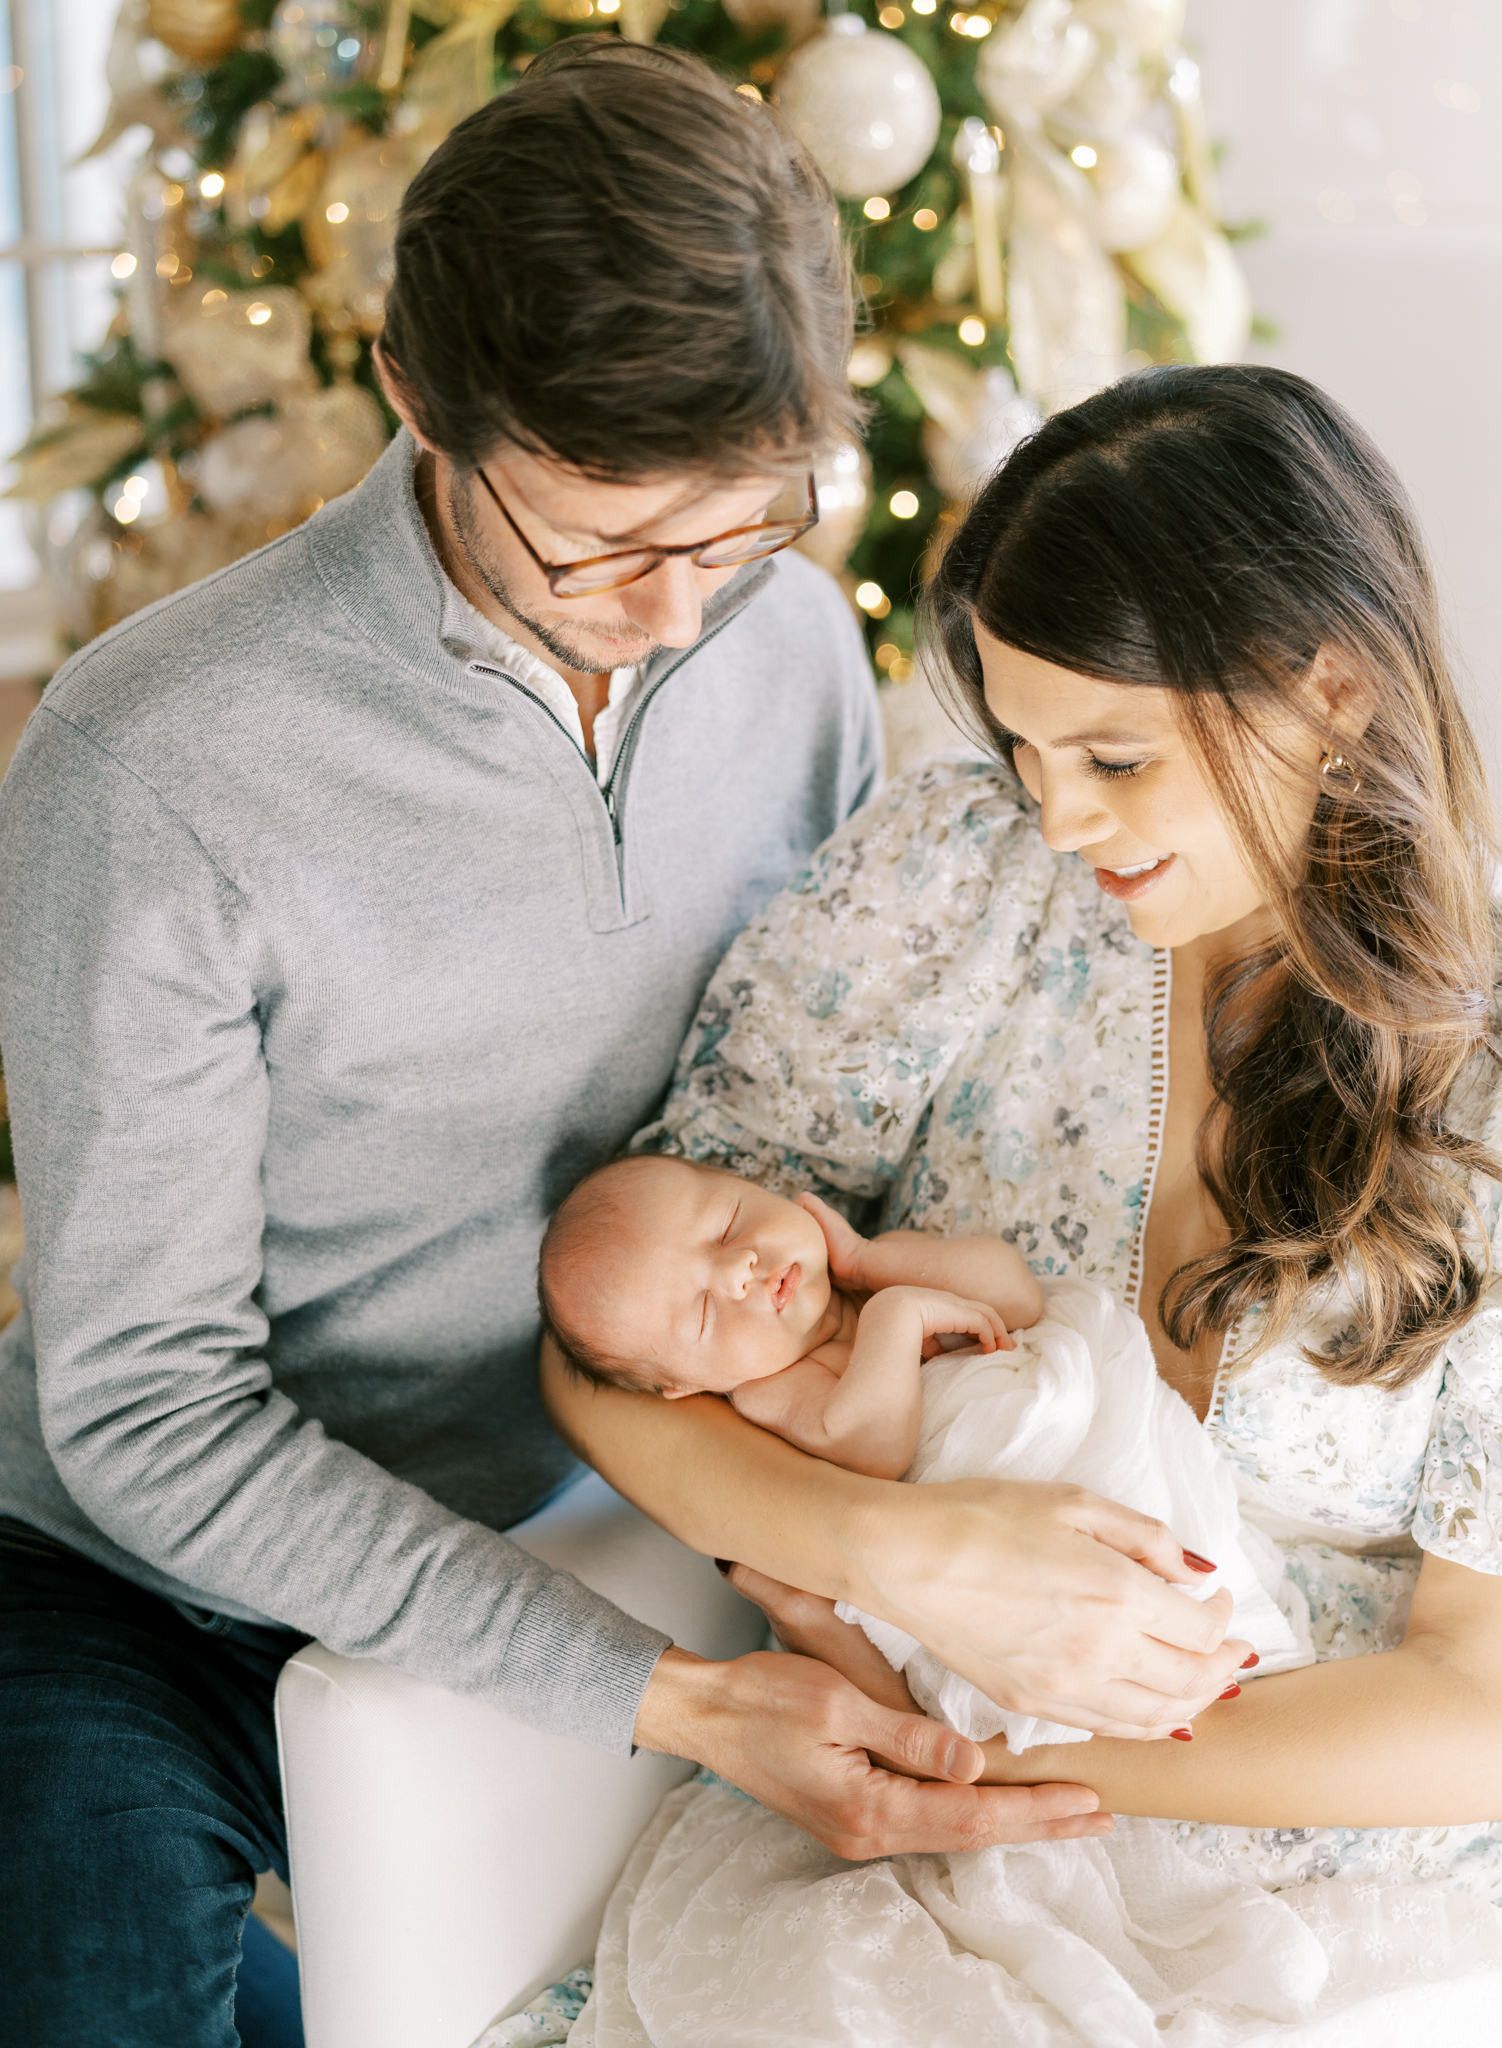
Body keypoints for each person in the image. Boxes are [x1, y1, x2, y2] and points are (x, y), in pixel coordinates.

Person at [0, 38, 993, 2045]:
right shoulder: (151, 764)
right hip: (144, 1575)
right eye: (602, 545)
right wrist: (684, 1699)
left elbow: (832, 1123)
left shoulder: (785, 641)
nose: (670, 608)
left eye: (739, 529)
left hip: (630, 1497)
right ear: (413, 398)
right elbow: (150, 1415)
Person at [546, 364, 1502, 2042]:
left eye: (1115, 757)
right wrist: (890, 1550)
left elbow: (1475, 1702)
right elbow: (609, 1340)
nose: (1057, 816)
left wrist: (1011, 1748)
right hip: (905, 1816)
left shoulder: (1474, 1082)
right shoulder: (960, 874)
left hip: (1324, 1884)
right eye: (1024, 745)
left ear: (1331, 686)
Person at [538, 1155, 1040, 1475]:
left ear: (760, 1187)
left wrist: (868, 1260)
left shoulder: (881, 1266)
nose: (739, 1270)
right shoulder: (772, 1391)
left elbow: (1020, 1297)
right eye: (704, 1312)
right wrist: (896, 1317)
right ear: (687, 1385)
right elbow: (876, 1448)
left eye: (727, 1227)